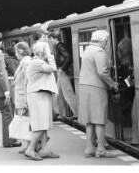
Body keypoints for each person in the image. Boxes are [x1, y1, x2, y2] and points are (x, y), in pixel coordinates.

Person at [78, 30, 119, 158]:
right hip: (96, 88)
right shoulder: (99, 51)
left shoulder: (88, 49)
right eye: (106, 41)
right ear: (102, 41)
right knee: (100, 119)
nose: (106, 44)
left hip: (84, 87)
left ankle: (89, 148)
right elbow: (102, 72)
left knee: (89, 120)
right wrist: (113, 84)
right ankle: (101, 149)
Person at [25, 41, 60, 161]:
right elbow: (53, 68)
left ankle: (44, 149)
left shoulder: (37, 62)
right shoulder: (37, 62)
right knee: (40, 125)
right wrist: (49, 53)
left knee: (43, 124)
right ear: (42, 52)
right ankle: (30, 149)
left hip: (41, 95)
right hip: (38, 96)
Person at [49, 30, 77, 120]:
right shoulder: (58, 46)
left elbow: (68, 57)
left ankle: (78, 114)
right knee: (58, 93)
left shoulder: (59, 46)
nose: (50, 42)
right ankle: (60, 114)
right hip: (61, 71)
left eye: (50, 40)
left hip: (62, 72)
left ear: (53, 39)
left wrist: (62, 68)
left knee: (68, 94)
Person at [13, 42, 32, 154]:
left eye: (16, 51)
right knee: (25, 121)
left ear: (20, 51)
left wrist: (26, 100)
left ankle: (30, 145)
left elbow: (27, 81)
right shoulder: (23, 62)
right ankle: (28, 144)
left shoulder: (26, 62)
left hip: (23, 96)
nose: (15, 54)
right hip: (21, 96)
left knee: (27, 121)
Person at [4, 46, 20, 117]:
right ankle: (16, 114)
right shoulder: (18, 61)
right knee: (15, 98)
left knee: (9, 98)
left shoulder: (6, 60)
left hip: (9, 79)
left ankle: (11, 114)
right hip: (16, 79)